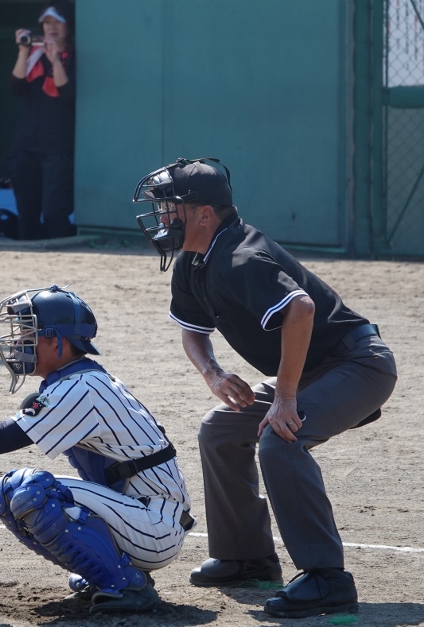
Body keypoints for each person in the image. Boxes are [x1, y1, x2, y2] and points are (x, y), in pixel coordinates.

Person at [133, 157, 398, 618]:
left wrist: (286, 397)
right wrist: (213, 374)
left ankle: (327, 578)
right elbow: (192, 330)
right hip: (315, 369)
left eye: (170, 207)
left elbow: (301, 310)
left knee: (281, 438)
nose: (162, 216)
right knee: (220, 429)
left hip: (359, 365)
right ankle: (247, 557)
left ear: (204, 213)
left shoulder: (240, 256)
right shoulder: (194, 259)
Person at [0, 285, 193, 614]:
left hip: (154, 526)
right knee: (8, 494)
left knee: (30, 491)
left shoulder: (80, 388)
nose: (18, 341)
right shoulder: (77, 381)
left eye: (29, 333)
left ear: (57, 341)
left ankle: (125, 584)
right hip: (140, 517)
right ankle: (107, 573)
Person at [7, 0, 76, 241]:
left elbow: (67, 95)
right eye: (47, 22)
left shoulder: (73, 56)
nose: (51, 27)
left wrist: (55, 60)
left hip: (57, 149)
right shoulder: (33, 55)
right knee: (27, 214)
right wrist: (23, 51)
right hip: (26, 146)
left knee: (54, 212)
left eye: (57, 22)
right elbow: (15, 87)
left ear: (68, 26)